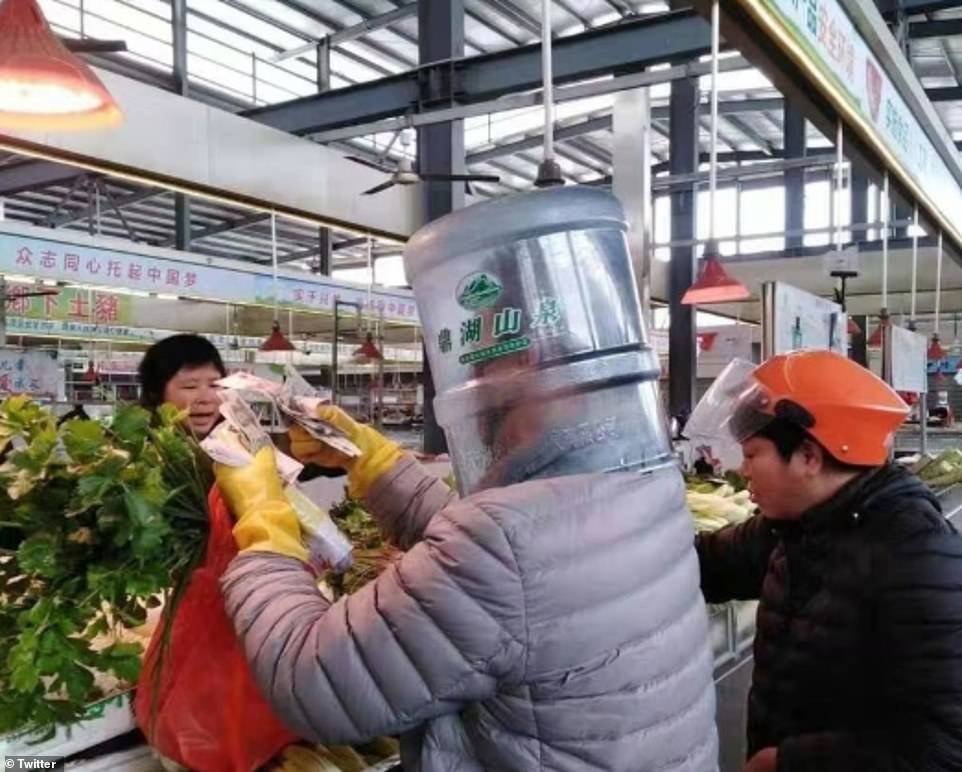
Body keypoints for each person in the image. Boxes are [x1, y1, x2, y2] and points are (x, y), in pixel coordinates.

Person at [211, 402, 719, 772]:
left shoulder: (510, 547)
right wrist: (374, 463)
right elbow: (507, 556)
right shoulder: (641, 488)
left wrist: (266, 528)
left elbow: (314, 682)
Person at [689, 350, 962, 771]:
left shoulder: (916, 554)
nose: (742, 471)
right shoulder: (792, 526)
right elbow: (706, 565)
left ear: (809, 457)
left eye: (752, 454)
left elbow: (942, 746)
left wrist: (786, 762)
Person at [138, 334, 225, 439]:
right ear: (155, 393)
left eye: (214, 385)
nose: (206, 399)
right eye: (190, 387)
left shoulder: (237, 441)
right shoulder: (131, 444)